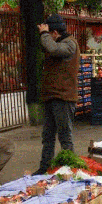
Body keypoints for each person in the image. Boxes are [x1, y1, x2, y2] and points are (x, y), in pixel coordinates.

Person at [34, 15, 80, 175]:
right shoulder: (57, 42)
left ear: (54, 32)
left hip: (63, 97)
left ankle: (72, 169)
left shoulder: (70, 44)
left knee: (65, 136)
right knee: (47, 136)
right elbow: (47, 47)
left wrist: (43, 34)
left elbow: (52, 48)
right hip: (51, 96)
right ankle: (44, 168)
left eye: (49, 33)